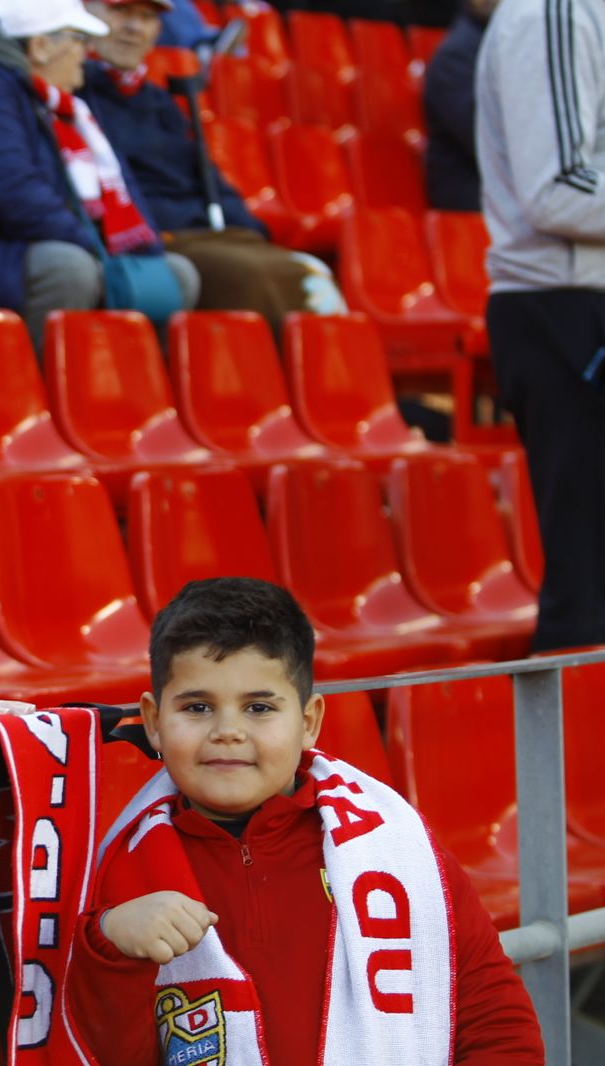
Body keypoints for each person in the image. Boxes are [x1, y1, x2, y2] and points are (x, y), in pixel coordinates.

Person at [66, 577, 545, 1064]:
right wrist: (112, 948)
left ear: (309, 721)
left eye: (258, 708)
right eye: (198, 707)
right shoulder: (121, 871)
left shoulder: (396, 848)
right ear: (153, 722)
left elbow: (494, 1019)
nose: (228, 731)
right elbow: (100, 1052)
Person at [0, 0, 200, 352]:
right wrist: (93, 245)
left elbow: (125, 189)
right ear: (40, 47)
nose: (87, 52)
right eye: (79, 39)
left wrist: (143, 249)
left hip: (38, 241)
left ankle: (128, 384)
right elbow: (7, 193)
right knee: (69, 268)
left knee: (175, 273)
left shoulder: (65, 105)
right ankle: (30, 377)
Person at [82, 0, 344, 338]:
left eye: (146, 17)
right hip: (157, 238)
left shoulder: (158, 100)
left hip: (208, 236)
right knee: (247, 275)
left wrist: (249, 231)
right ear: (86, 13)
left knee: (312, 271)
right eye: (121, 12)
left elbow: (206, 174)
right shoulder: (75, 96)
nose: (134, 27)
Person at [479, 0, 605, 652]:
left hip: (573, 299)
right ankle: (574, 721)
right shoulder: (554, 10)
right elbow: (557, 188)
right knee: (589, 584)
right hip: (565, 303)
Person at [424, 0, 498, 212]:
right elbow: (484, 140)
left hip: (499, 191)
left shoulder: (495, 44)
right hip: (471, 196)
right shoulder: (457, 55)